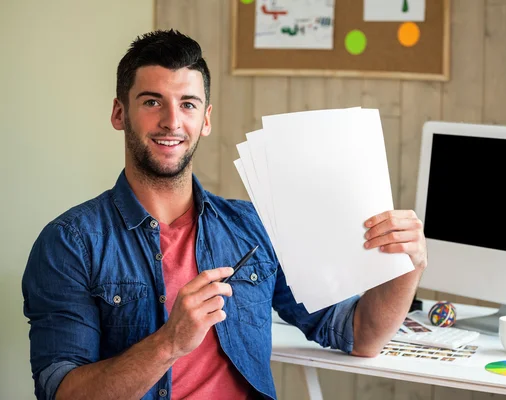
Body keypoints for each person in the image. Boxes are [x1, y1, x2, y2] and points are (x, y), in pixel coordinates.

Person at [22, 30, 427, 400]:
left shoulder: (253, 227)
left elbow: (359, 334)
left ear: (206, 119)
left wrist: (408, 266)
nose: (172, 121)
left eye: (188, 104)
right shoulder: (70, 243)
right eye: (151, 102)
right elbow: (63, 392)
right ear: (119, 113)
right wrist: (170, 343)